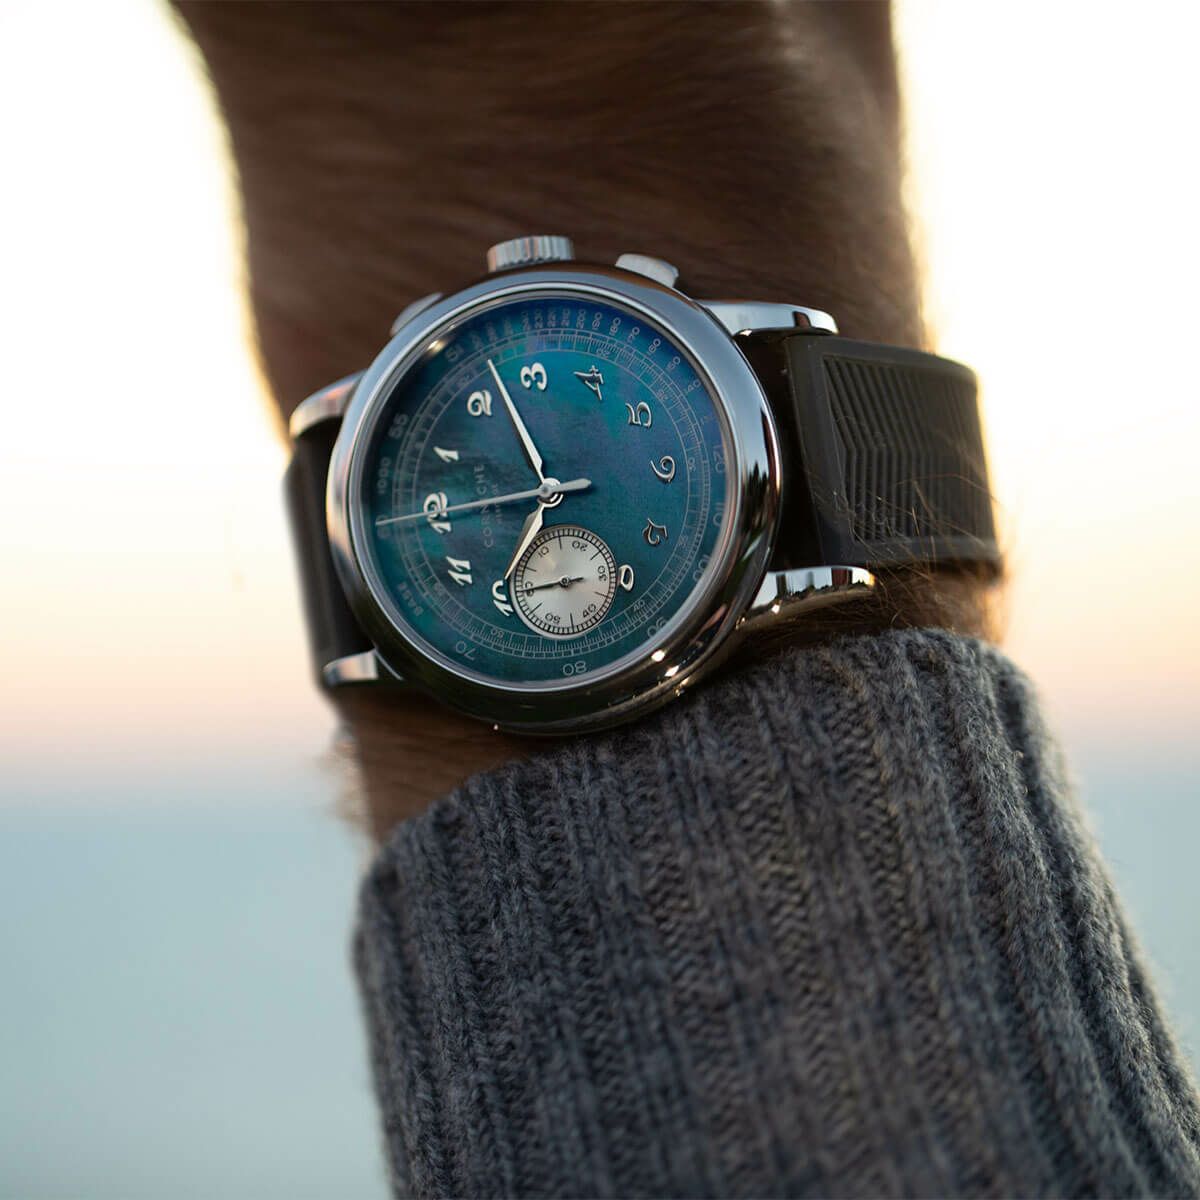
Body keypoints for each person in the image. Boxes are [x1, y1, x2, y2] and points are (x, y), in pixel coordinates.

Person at [176, 4, 1200, 1196]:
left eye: (559, 483)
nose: (551, 489)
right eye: (542, 484)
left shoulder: (778, 471)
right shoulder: (388, 520)